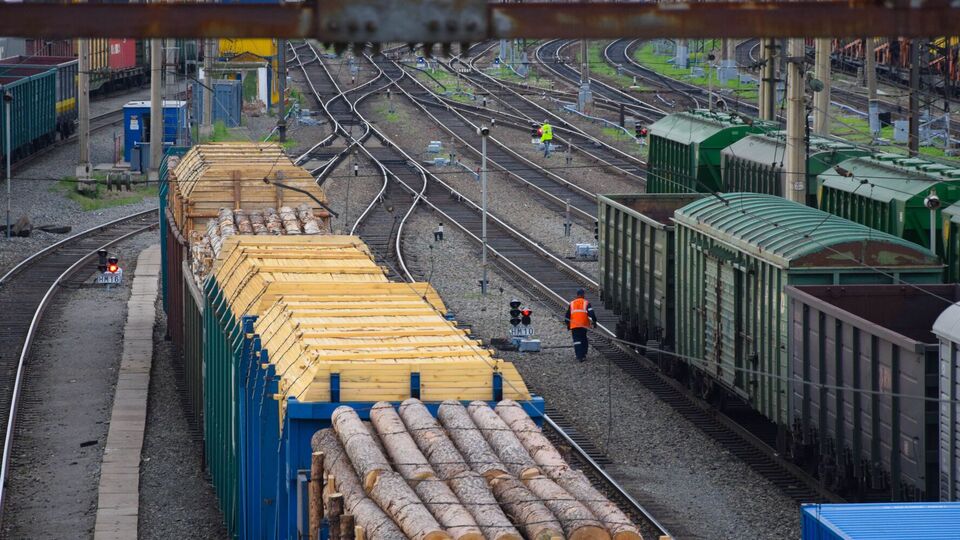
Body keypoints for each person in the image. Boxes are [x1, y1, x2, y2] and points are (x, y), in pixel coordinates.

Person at [564, 289, 597, 362]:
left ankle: (579, 356)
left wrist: (568, 324)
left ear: (577, 295)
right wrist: (594, 321)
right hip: (583, 325)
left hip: (574, 325)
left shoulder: (572, 303)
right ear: (583, 295)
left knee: (577, 341)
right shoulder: (586, 303)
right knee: (583, 339)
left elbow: (567, 316)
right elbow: (591, 313)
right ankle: (584, 354)